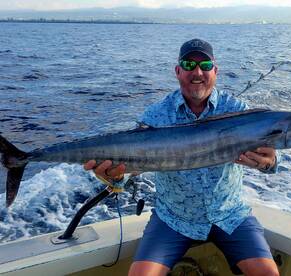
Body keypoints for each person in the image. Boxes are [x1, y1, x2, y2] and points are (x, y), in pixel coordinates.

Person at [84, 38, 279, 276]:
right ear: (178, 71)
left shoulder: (238, 110)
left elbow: (269, 159)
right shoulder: (156, 116)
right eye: (188, 65)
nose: (197, 72)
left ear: (215, 71)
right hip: (174, 219)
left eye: (205, 65)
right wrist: (112, 177)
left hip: (229, 214)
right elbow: (126, 175)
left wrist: (269, 163)